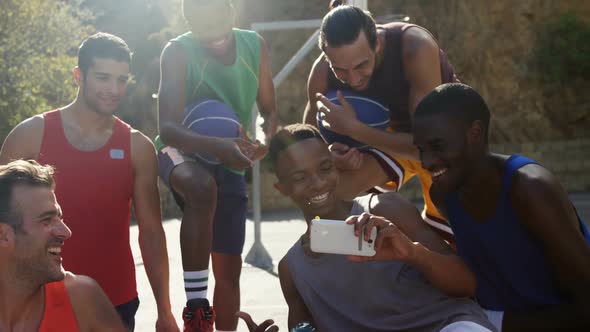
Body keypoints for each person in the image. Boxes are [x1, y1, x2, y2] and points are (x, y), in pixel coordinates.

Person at [0, 33, 178, 331]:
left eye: (122, 80)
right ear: (78, 75)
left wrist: (165, 309)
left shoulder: (138, 147)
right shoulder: (29, 136)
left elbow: (151, 233)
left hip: (116, 298)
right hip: (40, 297)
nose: (114, 89)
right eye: (103, 78)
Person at [269, 124, 495, 332]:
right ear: (282, 188)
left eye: (325, 168)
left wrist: (413, 253)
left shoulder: (385, 209)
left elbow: (468, 284)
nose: (317, 182)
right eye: (300, 177)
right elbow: (303, 328)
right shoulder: (293, 269)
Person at [412, 83, 590, 331]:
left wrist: (495, 322)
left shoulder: (531, 190)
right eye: (421, 150)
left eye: (438, 146)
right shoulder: (443, 195)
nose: (427, 161)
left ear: (474, 133)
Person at [155, 0, 277, 330]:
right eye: (203, 30)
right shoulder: (177, 52)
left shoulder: (254, 46)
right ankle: (197, 309)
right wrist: (218, 146)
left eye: (219, 25)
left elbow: (268, 109)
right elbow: (167, 128)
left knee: (229, 271)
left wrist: (264, 139)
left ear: (230, 11)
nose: (215, 37)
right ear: (188, 23)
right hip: (179, 152)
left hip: (230, 155)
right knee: (201, 187)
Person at [304, 4, 458, 240]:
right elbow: (306, 145)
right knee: (326, 191)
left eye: (361, 65)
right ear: (327, 57)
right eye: (341, 70)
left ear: (377, 43)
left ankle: (435, 248)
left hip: (444, 140)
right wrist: (329, 154)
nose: (353, 79)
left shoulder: (415, 47)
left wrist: (354, 130)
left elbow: (428, 148)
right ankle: (353, 253)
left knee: (463, 240)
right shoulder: (322, 74)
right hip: (390, 138)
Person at [0, 160, 127, 332]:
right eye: (46, 220)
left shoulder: (81, 300)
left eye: (60, 218)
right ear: (3, 234)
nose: (66, 232)